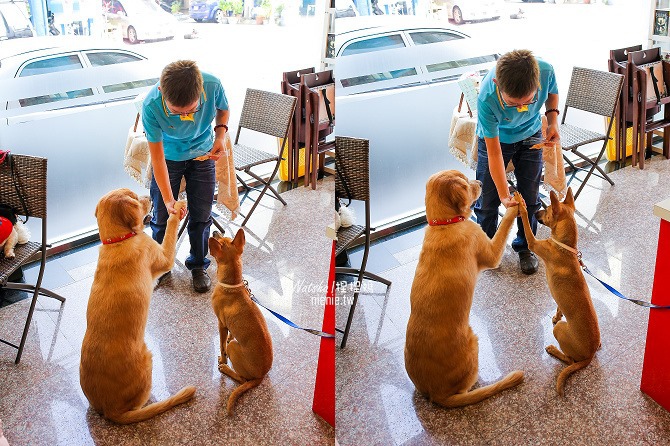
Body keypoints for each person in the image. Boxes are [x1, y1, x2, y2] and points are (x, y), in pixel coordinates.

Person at [142, 60, 230, 292]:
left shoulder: (212, 85)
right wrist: (170, 200)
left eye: (191, 110)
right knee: (161, 215)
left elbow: (223, 109)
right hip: (169, 157)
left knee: (201, 215)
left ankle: (198, 265)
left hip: (202, 154)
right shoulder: (151, 105)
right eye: (175, 112)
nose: (184, 116)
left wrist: (220, 136)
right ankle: (162, 264)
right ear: (162, 91)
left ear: (200, 90)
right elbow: (157, 158)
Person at [474, 49, 559, 275]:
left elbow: (552, 94)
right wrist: (504, 194)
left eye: (529, 101)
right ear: (496, 83)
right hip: (496, 138)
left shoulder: (545, 70)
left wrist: (552, 122)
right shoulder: (486, 96)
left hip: (530, 133)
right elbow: (494, 154)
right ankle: (488, 246)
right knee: (488, 199)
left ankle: (525, 246)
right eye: (513, 103)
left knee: (530, 197)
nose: (521, 108)